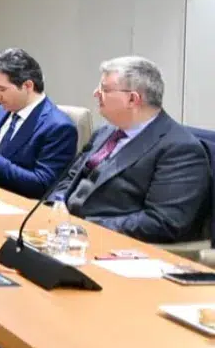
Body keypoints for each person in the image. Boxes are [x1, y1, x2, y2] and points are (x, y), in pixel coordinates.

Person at [50, 56, 211, 243]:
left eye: (105, 89)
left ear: (133, 99)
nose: (96, 93)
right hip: (65, 232)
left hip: (114, 243)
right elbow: (71, 177)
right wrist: (54, 206)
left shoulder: (180, 149)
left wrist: (86, 227)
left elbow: (162, 222)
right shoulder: (106, 131)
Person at [0, 49, 78, 199]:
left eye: (2, 89)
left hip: (10, 203)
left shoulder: (59, 127)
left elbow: (42, 186)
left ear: (28, 86)